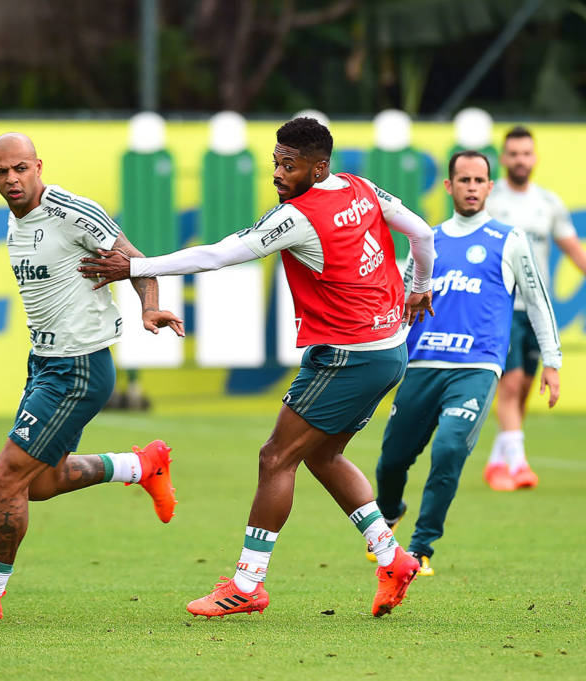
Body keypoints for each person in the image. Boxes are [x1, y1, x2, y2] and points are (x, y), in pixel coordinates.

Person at [79, 117, 436, 618]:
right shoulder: (361, 187)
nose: (278, 173)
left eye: (290, 165)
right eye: (276, 162)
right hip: (387, 349)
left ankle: (247, 584)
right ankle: (392, 558)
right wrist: (420, 287)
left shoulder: (298, 216)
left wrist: (135, 267)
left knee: (275, 458)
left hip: (348, 356)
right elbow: (422, 233)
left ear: (318, 167)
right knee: (322, 455)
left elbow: (219, 255)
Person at [0, 133, 183, 621]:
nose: (12, 179)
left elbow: (135, 260)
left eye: (21, 168)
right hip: (45, 363)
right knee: (39, 483)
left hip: (77, 367)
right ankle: (140, 465)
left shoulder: (71, 211)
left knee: (6, 478)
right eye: (2, 172)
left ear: (39, 166)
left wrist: (149, 307)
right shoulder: (16, 219)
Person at [373, 151, 561, 576]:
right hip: (421, 364)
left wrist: (552, 360)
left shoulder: (509, 240)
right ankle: (390, 512)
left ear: (490, 187)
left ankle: (420, 548)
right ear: (449, 186)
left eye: (479, 180)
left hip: (476, 366)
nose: (472, 187)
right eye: (464, 180)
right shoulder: (427, 241)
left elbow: (537, 300)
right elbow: (402, 305)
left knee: (449, 449)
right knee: (391, 461)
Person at [482, 126, 586, 491]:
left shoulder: (548, 202)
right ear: (503, 159)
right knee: (510, 384)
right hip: (500, 305)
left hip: (535, 307)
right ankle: (519, 464)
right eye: (513, 154)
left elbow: (571, 245)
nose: (520, 160)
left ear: (535, 158)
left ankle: (497, 462)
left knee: (524, 386)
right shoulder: (490, 199)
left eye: (526, 154)